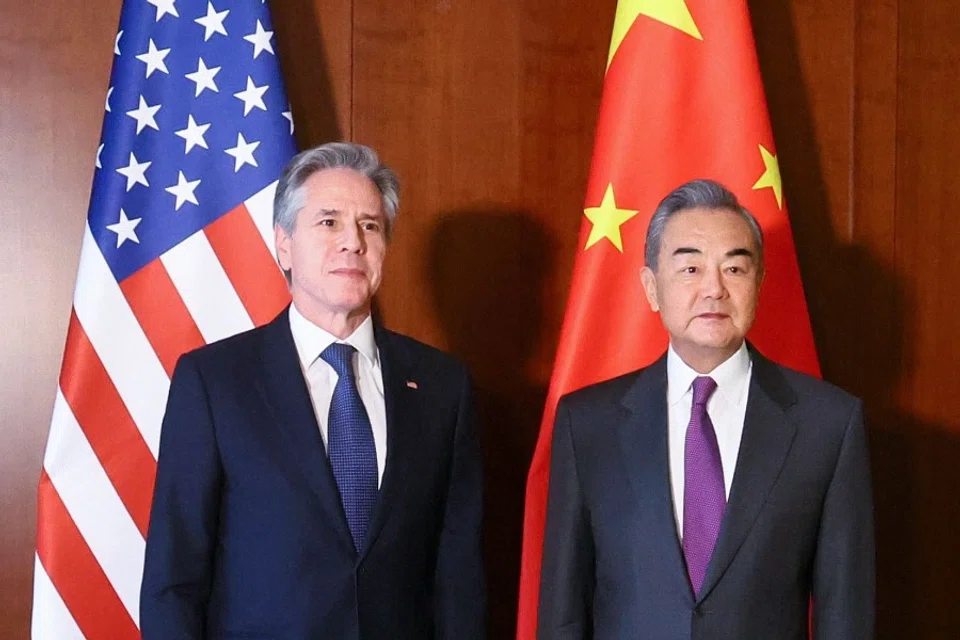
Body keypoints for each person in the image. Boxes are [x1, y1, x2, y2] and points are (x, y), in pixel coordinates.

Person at [141, 142, 486, 639]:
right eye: (329, 222)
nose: (352, 242)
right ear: (284, 244)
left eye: (369, 225)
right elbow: (175, 579)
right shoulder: (214, 382)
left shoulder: (442, 387)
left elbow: (459, 576)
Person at [538, 179, 874, 639]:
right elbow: (563, 612)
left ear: (759, 284)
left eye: (734, 270)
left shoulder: (828, 425)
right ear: (652, 288)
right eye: (690, 269)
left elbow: (846, 615)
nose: (713, 289)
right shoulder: (587, 422)